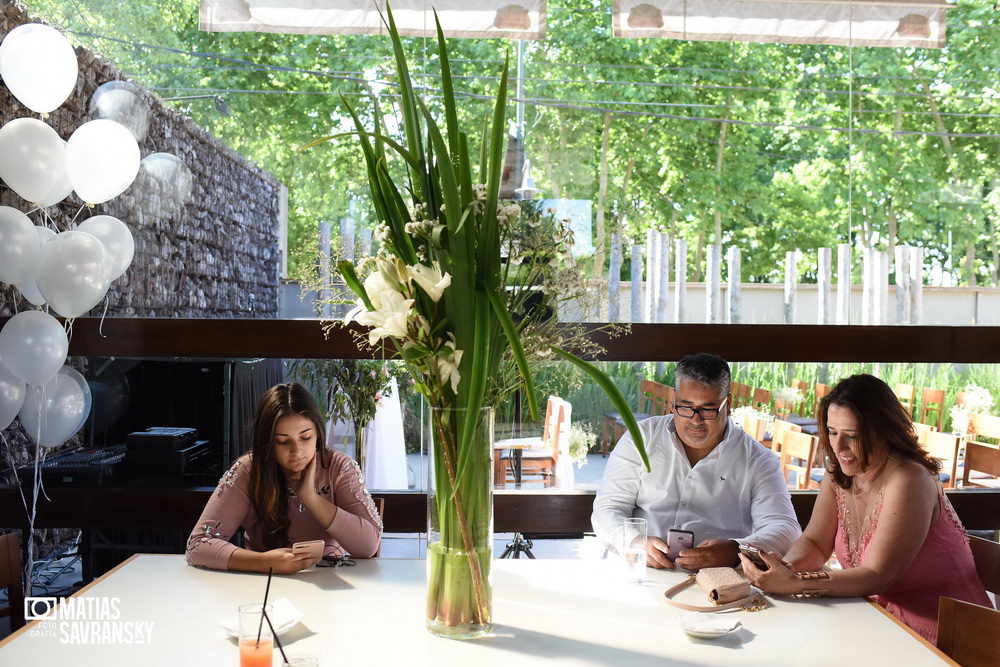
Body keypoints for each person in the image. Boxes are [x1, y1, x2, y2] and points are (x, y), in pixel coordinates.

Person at [740, 374, 992, 644]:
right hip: (880, 623)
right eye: (832, 432)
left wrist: (797, 584)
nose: (838, 447)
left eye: (853, 435)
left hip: (952, 638)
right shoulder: (839, 472)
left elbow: (877, 576)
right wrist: (784, 569)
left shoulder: (909, 479)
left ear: (884, 431)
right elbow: (815, 542)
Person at [592, 353, 800, 571]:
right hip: (639, 570)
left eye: (708, 409)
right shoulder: (641, 438)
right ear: (673, 400)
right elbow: (608, 509)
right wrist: (634, 542)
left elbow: (785, 528)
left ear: (727, 404)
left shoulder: (757, 459)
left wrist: (735, 550)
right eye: (686, 406)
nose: (695, 419)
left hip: (718, 579)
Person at [186, 382, 382, 572]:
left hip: (329, 582)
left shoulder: (338, 467)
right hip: (260, 584)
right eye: (282, 442)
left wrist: (311, 498)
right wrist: (263, 562)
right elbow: (198, 546)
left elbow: (368, 546)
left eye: (305, 438)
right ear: (267, 443)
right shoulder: (248, 471)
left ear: (318, 434)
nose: (297, 451)